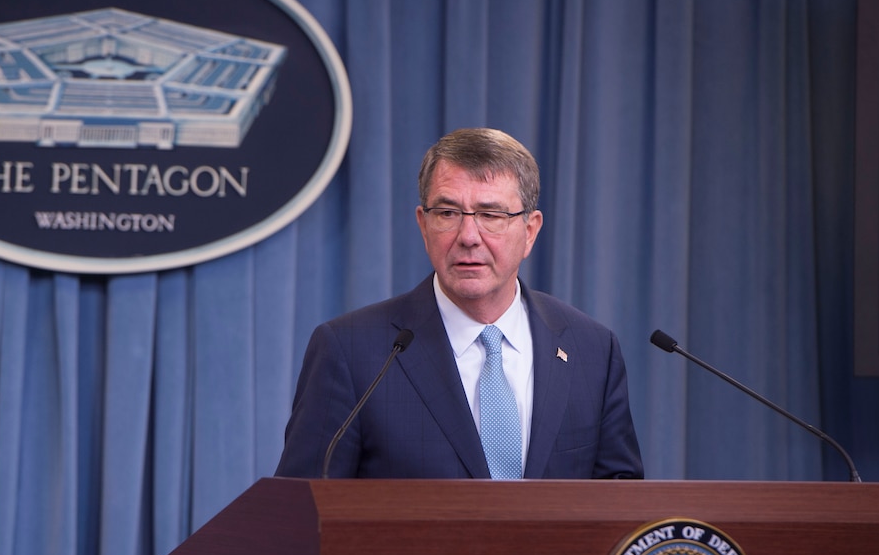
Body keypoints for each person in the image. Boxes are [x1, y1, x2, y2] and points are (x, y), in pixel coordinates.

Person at [274, 128, 643, 480]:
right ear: (423, 225)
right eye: (448, 214)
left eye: (491, 215)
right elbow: (302, 513)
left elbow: (620, 505)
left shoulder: (591, 350)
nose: (468, 236)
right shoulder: (352, 352)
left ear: (530, 231)